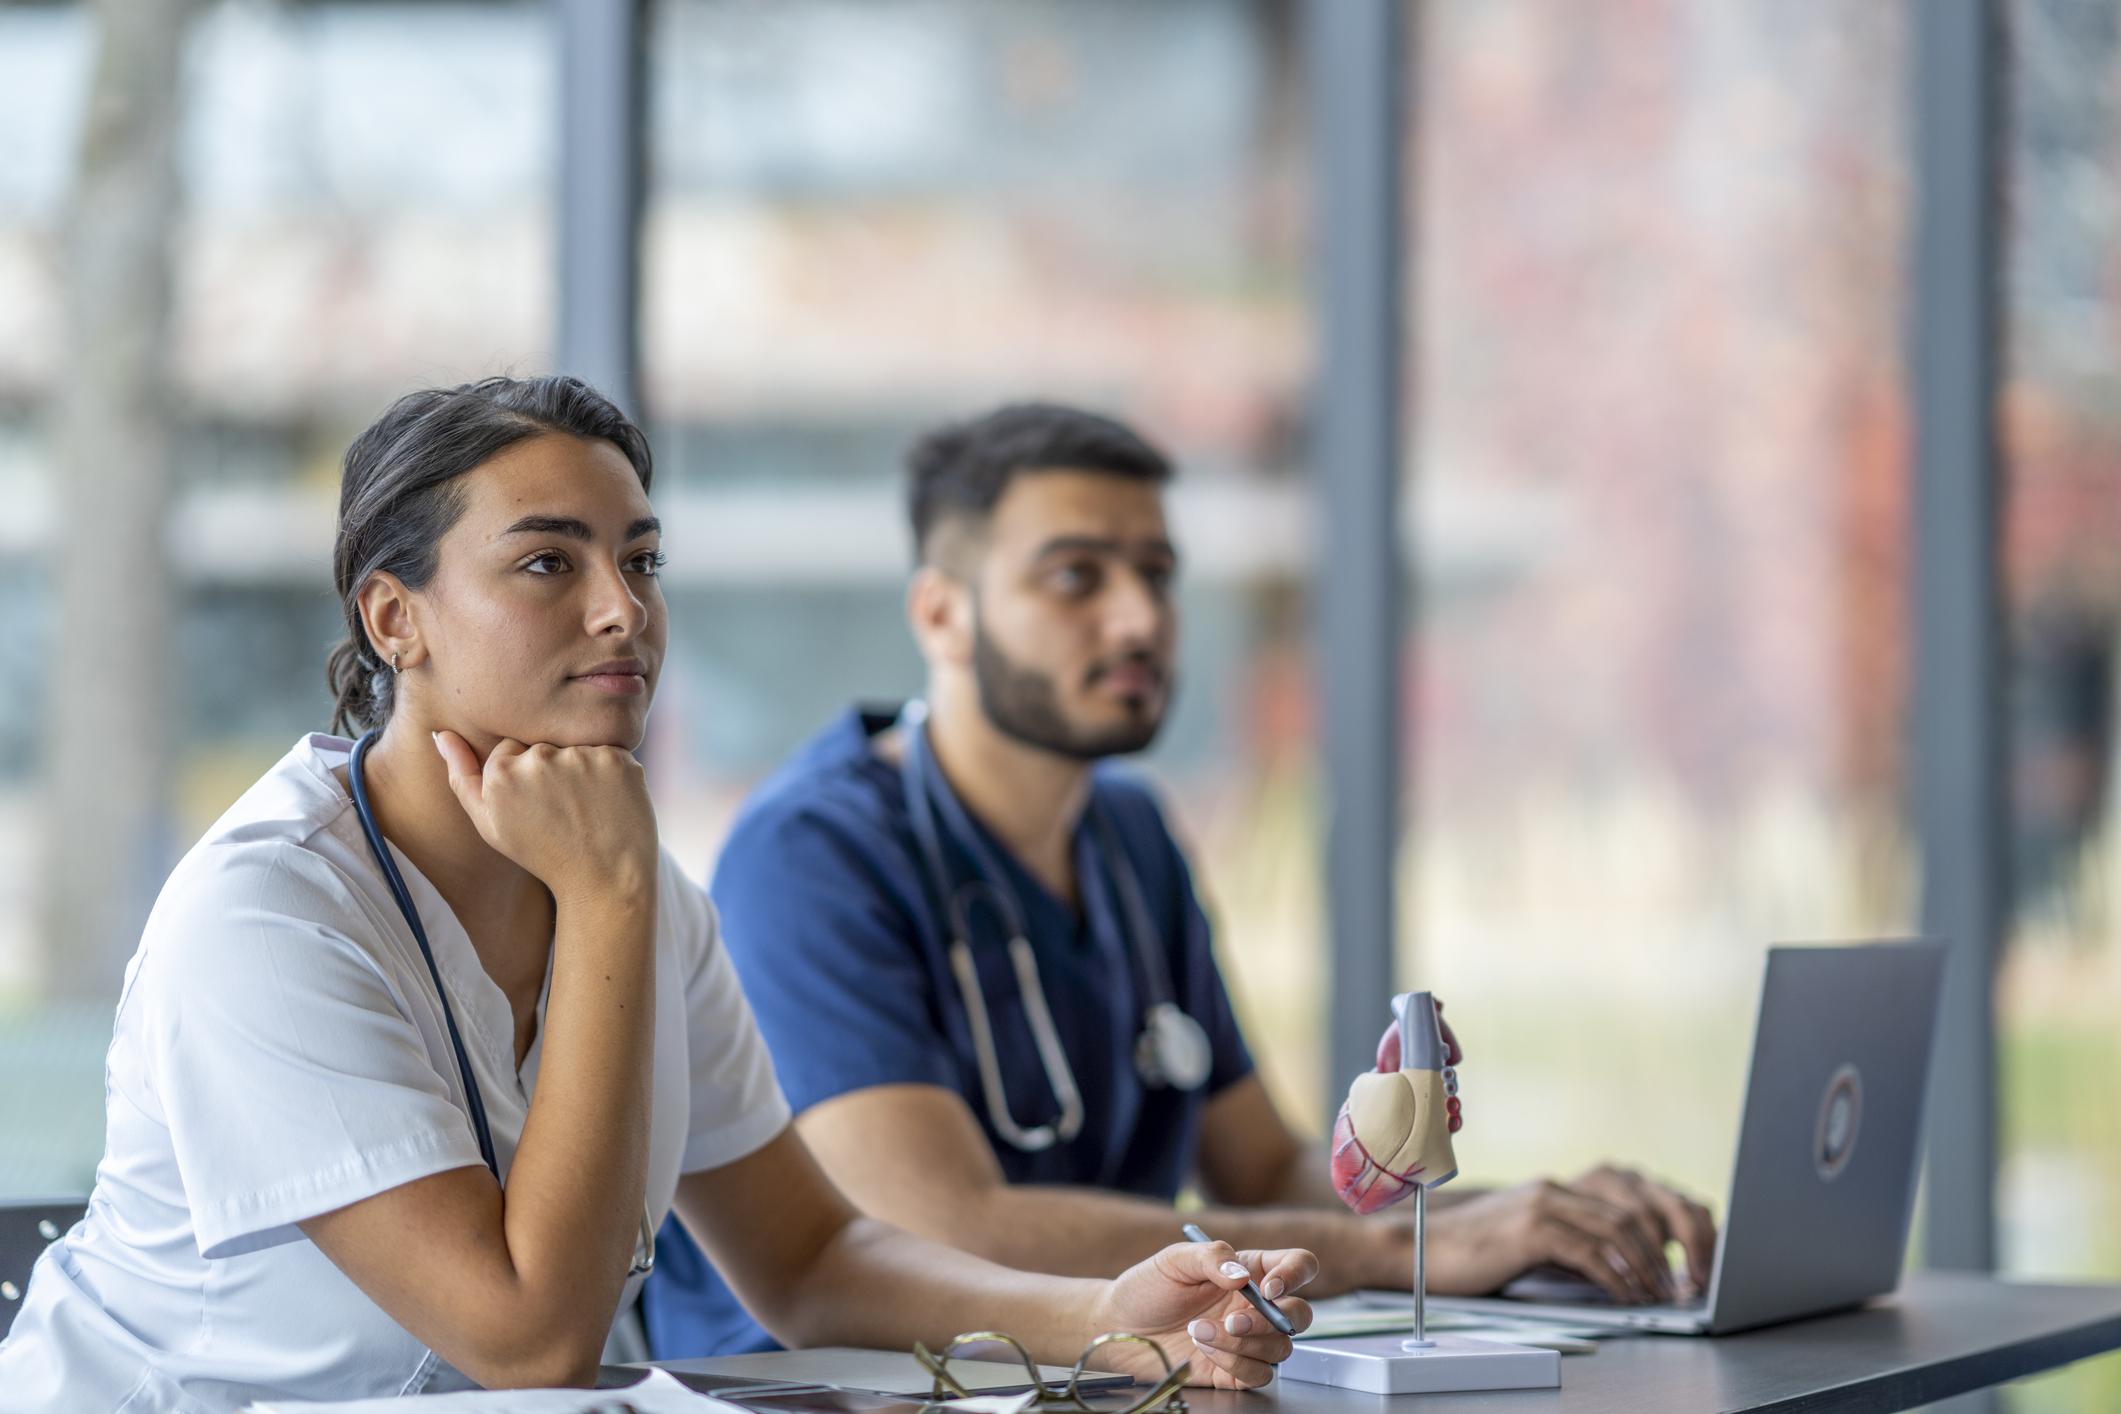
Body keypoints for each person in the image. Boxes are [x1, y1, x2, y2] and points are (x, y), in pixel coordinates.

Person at [0, 378, 1316, 1412]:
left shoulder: (634, 880)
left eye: (641, 559)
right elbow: (526, 1338)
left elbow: (807, 1260)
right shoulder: (272, 915)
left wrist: (1107, 1312)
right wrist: (611, 903)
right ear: (394, 620)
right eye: (547, 564)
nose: (622, 610)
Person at [642, 403, 1717, 1358]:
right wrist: (1395, 1253)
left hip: (1121, 1370)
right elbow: (941, 1224)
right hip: (841, 1388)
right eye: (1077, 577)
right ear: (940, 614)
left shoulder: (1131, 834)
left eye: (1156, 573)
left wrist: (1520, 1220)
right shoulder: (813, 852)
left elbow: (1266, 1170)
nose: (1140, 619)